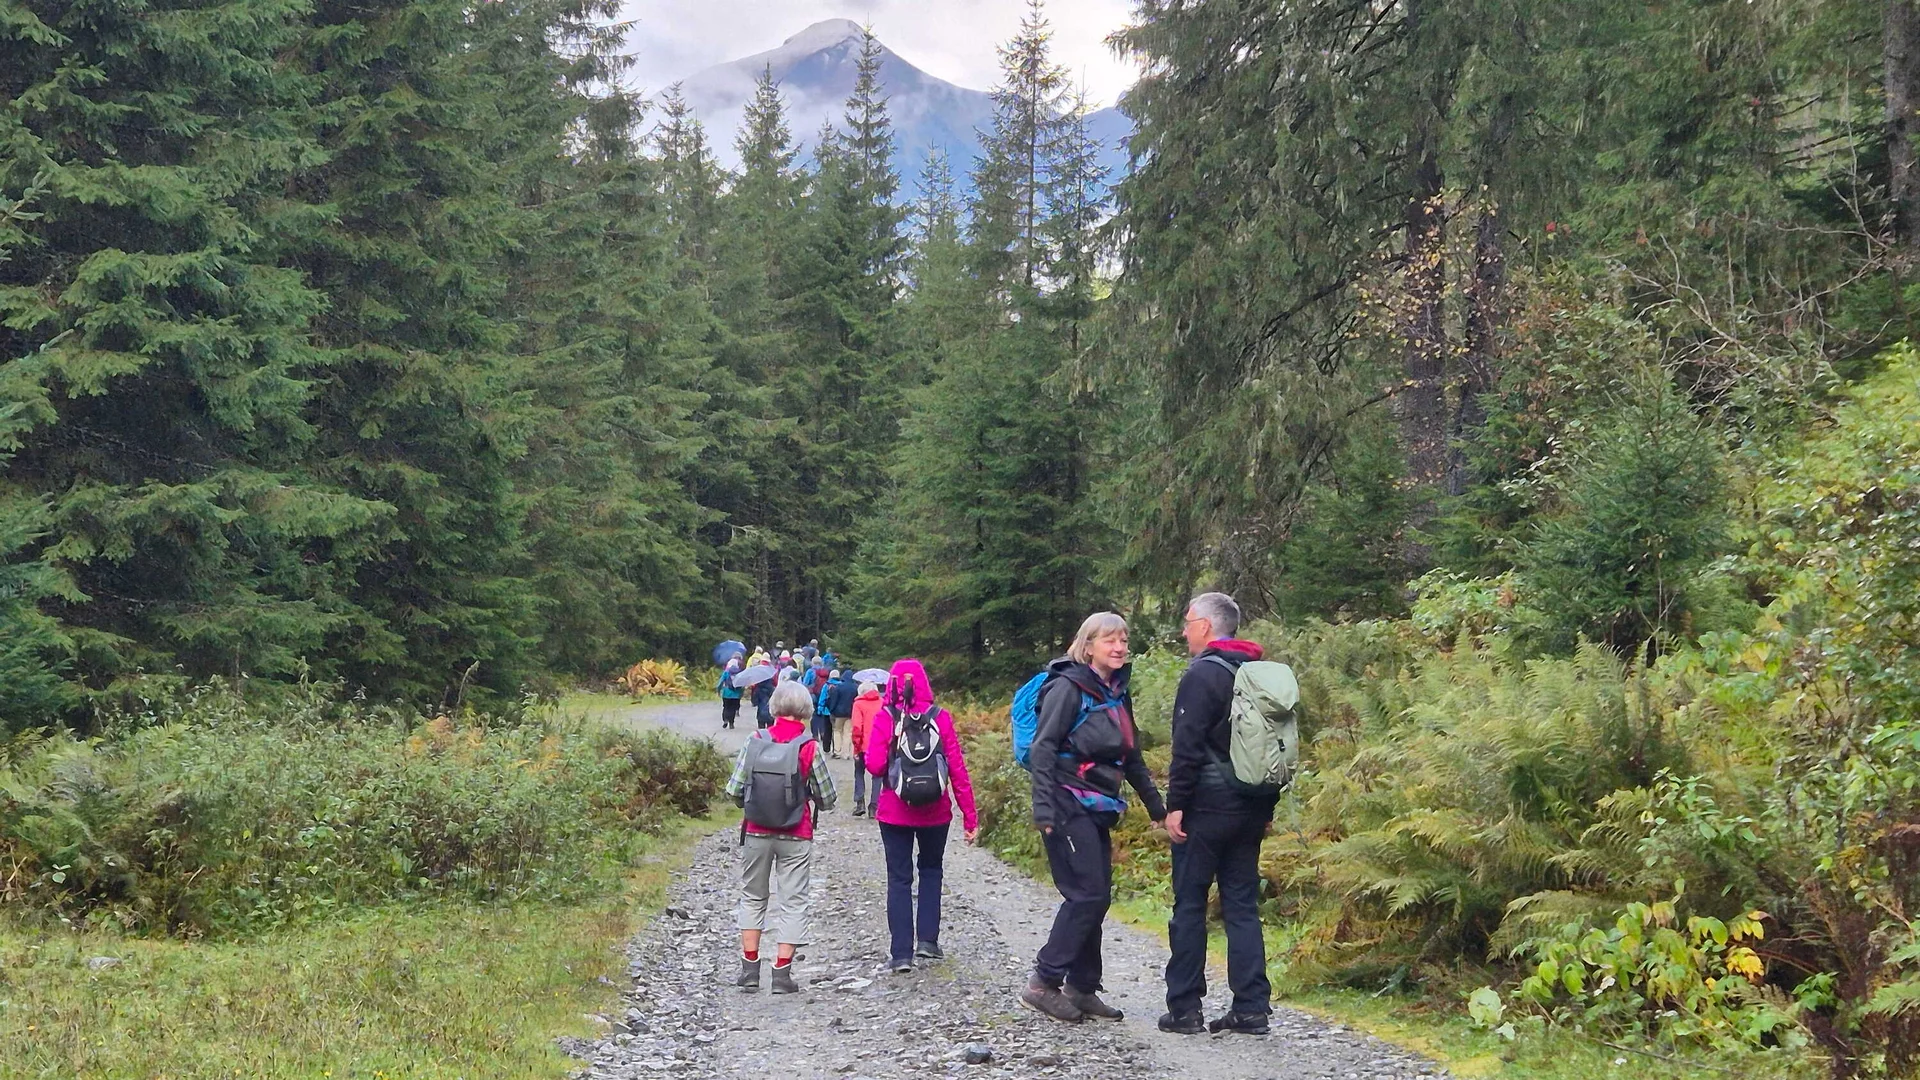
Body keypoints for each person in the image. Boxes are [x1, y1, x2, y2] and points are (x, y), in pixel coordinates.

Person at [1022, 612, 1167, 1024]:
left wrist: (1156, 806)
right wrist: (1043, 808)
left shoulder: (1116, 692)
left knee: (1097, 894)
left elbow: (1131, 754)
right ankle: (1042, 982)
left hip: (1098, 804)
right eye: (1110, 640)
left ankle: (1082, 987)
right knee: (1087, 894)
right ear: (1088, 647)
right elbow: (1043, 749)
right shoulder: (1068, 688)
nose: (1119, 647)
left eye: (1123, 640)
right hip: (1065, 801)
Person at [1160, 592, 1279, 1036]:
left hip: (1205, 809)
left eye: (1189, 621)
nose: (1184, 630)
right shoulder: (1257, 672)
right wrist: (1266, 807)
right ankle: (1251, 1009)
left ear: (1207, 626)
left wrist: (1176, 806)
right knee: (1242, 906)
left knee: (1190, 904)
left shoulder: (1202, 674)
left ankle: (1185, 1009)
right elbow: (1275, 748)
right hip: (1251, 807)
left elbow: (1186, 747)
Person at [864, 658, 979, 974]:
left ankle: (901, 954)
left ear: (892, 685)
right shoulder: (941, 717)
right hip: (936, 812)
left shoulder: (887, 717)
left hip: (894, 812)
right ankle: (928, 941)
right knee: (931, 870)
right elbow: (957, 769)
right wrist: (970, 817)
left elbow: (874, 765)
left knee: (899, 879)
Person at [726, 680, 837, 994]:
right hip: (796, 833)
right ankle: (781, 975)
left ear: (774, 707)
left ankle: (750, 969)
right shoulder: (809, 746)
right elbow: (828, 798)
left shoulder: (755, 740)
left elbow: (734, 790)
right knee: (793, 902)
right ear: (805, 711)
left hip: (756, 830)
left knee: (752, 896)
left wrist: (753, 804)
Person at [848, 679, 882, 816]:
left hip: (863, 745)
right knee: (877, 776)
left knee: (859, 772)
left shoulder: (858, 704)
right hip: (879, 745)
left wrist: (856, 747)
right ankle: (874, 806)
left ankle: (860, 802)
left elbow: (857, 727)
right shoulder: (882, 703)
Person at [826, 666, 858, 760]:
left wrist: (832, 710)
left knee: (837, 731)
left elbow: (834, 700)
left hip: (839, 714)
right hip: (850, 713)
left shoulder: (839, 687)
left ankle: (837, 751)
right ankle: (846, 753)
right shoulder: (856, 688)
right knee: (848, 733)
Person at [810, 667, 837, 755]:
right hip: (836, 712)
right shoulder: (840, 685)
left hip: (826, 711)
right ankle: (837, 748)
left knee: (827, 730)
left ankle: (826, 748)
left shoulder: (827, 685)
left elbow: (822, 697)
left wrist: (820, 708)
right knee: (836, 731)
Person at [718, 657, 744, 730]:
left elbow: (721, 682)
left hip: (726, 693)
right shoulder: (739, 673)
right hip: (736, 694)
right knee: (733, 708)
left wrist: (718, 690)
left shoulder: (726, 672)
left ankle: (725, 720)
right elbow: (742, 684)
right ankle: (731, 723)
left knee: (726, 707)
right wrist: (741, 693)